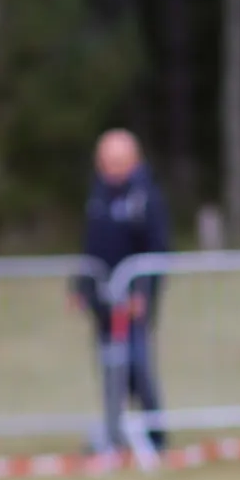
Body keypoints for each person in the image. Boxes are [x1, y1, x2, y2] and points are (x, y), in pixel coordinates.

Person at [75, 129, 171, 453]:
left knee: (138, 367)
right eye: (104, 162)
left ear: (133, 160)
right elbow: (91, 245)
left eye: (116, 161)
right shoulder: (98, 195)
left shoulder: (146, 197)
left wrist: (142, 293)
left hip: (133, 302)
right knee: (108, 366)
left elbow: (158, 249)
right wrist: (81, 286)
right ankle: (113, 431)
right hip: (102, 302)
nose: (109, 168)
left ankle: (155, 433)